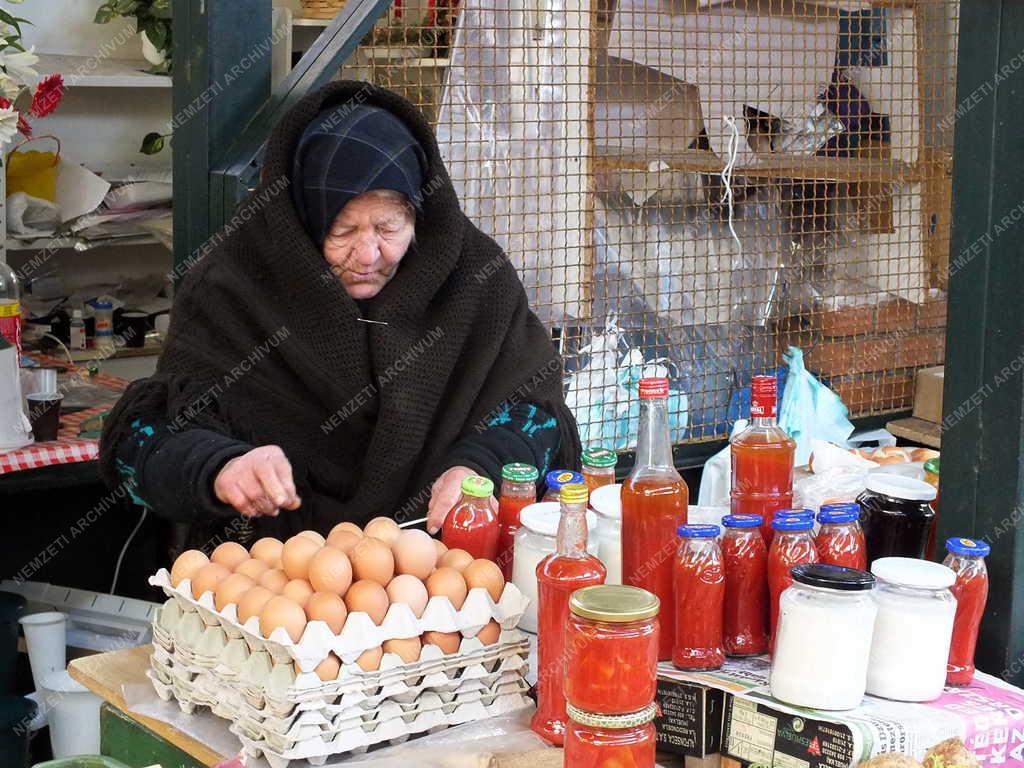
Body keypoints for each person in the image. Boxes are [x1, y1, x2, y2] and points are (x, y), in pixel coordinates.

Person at [99, 82, 580, 551]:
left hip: (438, 567)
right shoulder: (234, 286)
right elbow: (137, 446)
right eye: (342, 229)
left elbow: (540, 415)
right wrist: (217, 467)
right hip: (274, 580)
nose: (368, 254)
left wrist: (480, 466)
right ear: (301, 221)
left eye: (390, 226)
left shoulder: (475, 281)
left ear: (421, 212)